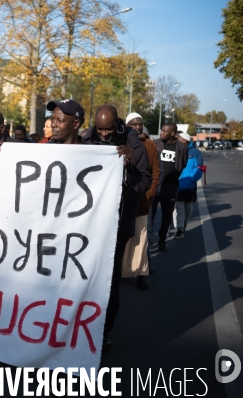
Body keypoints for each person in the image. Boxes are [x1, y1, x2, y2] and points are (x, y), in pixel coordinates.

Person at [81, 105, 151, 349]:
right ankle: (81, 328)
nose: (102, 134)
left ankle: (105, 331)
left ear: (117, 124)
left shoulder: (133, 142)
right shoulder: (86, 139)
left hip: (117, 227)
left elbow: (146, 179)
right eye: (99, 129)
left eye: (107, 129)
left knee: (108, 283)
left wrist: (126, 186)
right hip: (86, 227)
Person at [122, 113, 161, 289]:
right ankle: (121, 272)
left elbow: (155, 174)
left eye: (140, 124)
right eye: (133, 124)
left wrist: (149, 193)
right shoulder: (121, 143)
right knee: (123, 240)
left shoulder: (150, 146)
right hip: (123, 203)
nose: (138, 127)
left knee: (141, 239)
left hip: (142, 202)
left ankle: (141, 274)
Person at [150, 123, 187, 252]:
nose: (161, 132)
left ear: (172, 133)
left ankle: (162, 240)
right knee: (151, 214)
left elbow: (183, 163)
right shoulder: (155, 144)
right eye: (161, 130)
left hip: (170, 186)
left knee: (167, 215)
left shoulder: (181, 147)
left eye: (164, 131)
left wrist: (173, 177)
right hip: (155, 184)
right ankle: (149, 239)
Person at [173, 132, 203, 238]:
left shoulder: (196, 153)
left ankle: (183, 225)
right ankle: (180, 229)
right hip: (177, 185)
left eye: (179, 139)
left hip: (189, 186)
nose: (177, 141)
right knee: (179, 208)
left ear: (185, 141)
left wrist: (192, 180)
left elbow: (199, 169)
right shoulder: (175, 149)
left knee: (188, 209)